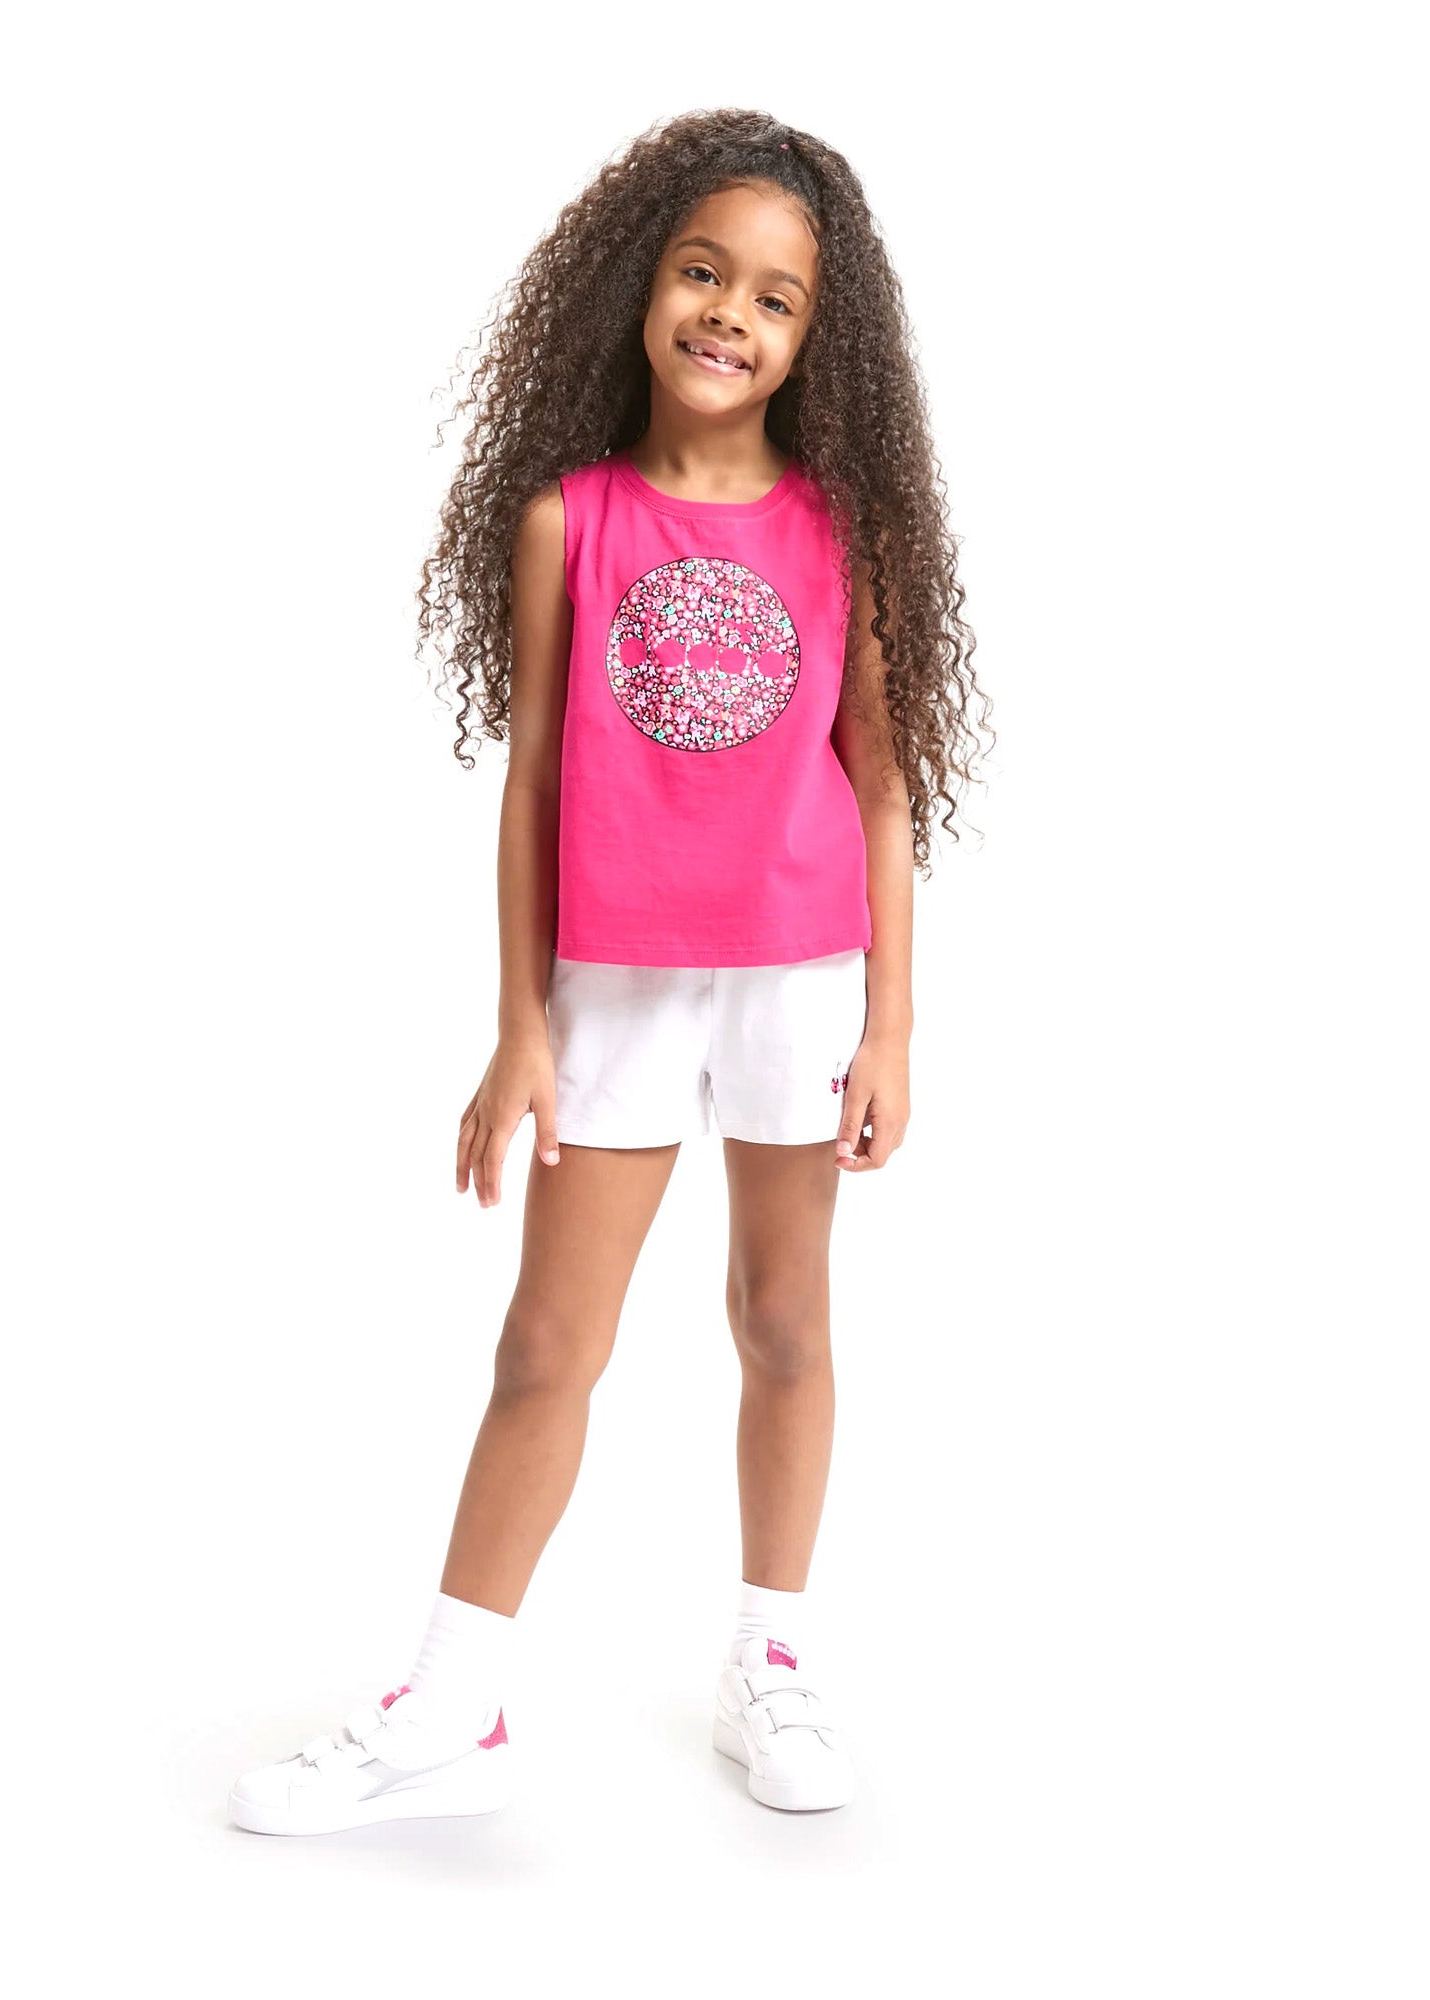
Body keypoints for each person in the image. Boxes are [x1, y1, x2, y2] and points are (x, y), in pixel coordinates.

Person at [229, 107, 990, 1836]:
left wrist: (892, 1023)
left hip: (798, 974)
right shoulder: (567, 520)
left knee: (783, 1321)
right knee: (546, 1344)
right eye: (705, 273)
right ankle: (451, 1704)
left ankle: (770, 1660)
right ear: (641, 285)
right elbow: (533, 788)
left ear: (817, 339)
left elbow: (881, 785)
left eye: (776, 298)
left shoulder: (843, 531)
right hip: (619, 984)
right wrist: (519, 1026)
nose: (731, 315)